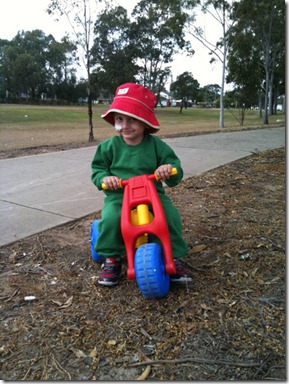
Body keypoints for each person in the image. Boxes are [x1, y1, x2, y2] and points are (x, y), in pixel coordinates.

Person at [91, 83, 192, 286]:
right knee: (112, 218)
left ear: (145, 122)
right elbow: (98, 170)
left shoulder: (156, 146)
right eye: (120, 119)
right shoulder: (108, 147)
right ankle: (112, 258)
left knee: (169, 216)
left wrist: (167, 170)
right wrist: (105, 179)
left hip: (152, 193)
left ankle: (171, 256)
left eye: (133, 119)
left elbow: (175, 168)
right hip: (120, 195)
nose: (125, 125)